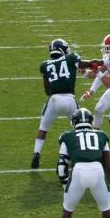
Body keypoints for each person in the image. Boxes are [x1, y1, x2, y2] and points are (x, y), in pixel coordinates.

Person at [54, 108, 110, 218]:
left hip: (78, 171)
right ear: (90, 122)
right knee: (106, 208)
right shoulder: (102, 135)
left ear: (74, 122)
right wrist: (106, 182)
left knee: (68, 210)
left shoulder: (67, 136)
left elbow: (62, 165)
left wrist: (65, 184)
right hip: (97, 170)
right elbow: (107, 163)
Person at [31, 37, 82, 168]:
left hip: (54, 99)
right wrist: (101, 62)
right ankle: (83, 151)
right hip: (70, 99)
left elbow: (47, 89)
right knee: (81, 126)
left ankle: (36, 153)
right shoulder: (70, 58)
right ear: (62, 50)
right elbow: (83, 64)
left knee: (43, 128)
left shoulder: (45, 65)